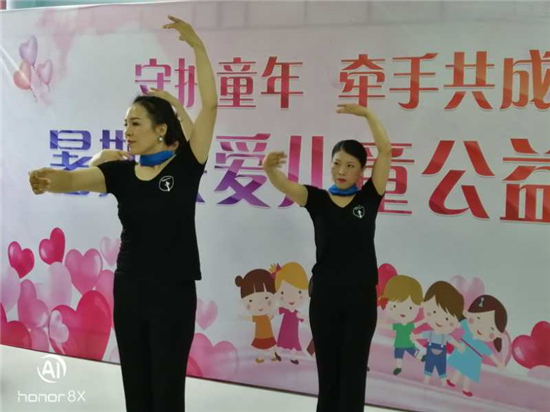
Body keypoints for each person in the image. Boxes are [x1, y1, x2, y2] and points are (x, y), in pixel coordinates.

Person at [28, 15, 217, 412]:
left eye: (135, 123)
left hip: (173, 293)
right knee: (136, 385)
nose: (127, 131)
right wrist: (48, 178)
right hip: (130, 289)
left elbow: (210, 105)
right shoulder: (120, 172)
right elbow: (74, 179)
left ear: (161, 129)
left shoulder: (186, 167)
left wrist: (198, 47)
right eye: (124, 124)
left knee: (167, 390)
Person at [262, 103, 392, 412]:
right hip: (325, 298)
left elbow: (386, 151)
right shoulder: (317, 199)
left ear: (361, 171)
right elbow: (284, 185)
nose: (342, 171)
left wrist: (368, 115)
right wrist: (268, 168)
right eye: (337, 164)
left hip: (360, 300)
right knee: (329, 373)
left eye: (350, 165)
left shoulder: (369, 197)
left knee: (353, 373)